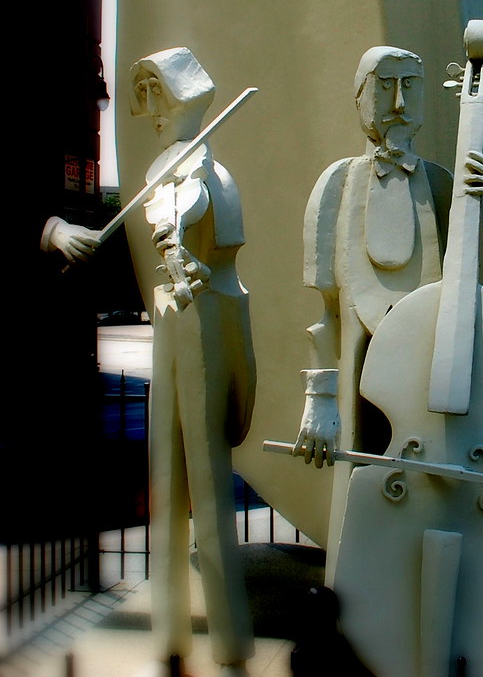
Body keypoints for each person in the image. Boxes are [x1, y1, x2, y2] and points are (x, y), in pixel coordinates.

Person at [292, 45, 483, 567]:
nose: (401, 101)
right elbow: (326, 310)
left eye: (412, 85)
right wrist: (320, 395)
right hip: (361, 355)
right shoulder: (337, 183)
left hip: (431, 360)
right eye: (385, 86)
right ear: (360, 98)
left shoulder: (443, 184)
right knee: (357, 483)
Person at [131, 47, 256, 677]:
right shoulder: (165, 170)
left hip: (203, 319)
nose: (148, 112)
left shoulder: (213, 176)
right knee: (167, 483)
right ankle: (169, 629)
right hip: (172, 319)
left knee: (207, 490)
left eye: (157, 93)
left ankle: (230, 638)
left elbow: (228, 279)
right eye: (142, 96)